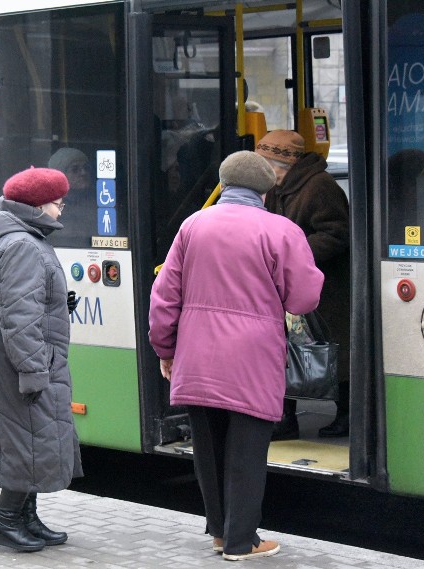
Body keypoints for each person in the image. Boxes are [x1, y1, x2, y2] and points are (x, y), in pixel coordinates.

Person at [149, 151, 323, 561]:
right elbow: (303, 298)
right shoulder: (281, 231)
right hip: (252, 359)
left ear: (224, 186)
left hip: (196, 356)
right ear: (266, 191)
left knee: (207, 450)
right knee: (246, 453)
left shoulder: (193, 226)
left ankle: (220, 534)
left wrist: (165, 349)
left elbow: (164, 298)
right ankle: (243, 542)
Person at [0, 167, 83, 552]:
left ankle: (26, 518)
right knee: (27, 440)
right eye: (56, 203)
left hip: (16, 360)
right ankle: (3, 520)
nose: (60, 210)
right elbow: (20, 318)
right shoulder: (22, 245)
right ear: (35, 206)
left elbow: (27, 302)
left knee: (33, 441)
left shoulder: (18, 238)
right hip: (20, 364)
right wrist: (34, 370)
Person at [255, 130, 351, 439]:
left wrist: (294, 253)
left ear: (280, 164)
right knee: (284, 351)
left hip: (326, 287)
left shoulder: (319, 187)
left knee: (333, 352)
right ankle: (285, 418)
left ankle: (348, 415)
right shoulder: (282, 187)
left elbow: (337, 233)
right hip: (292, 283)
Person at [47, 148, 95, 243]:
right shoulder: (48, 207)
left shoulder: (100, 205)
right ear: (60, 175)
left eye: (86, 168)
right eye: (75, 169)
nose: (83, 173)